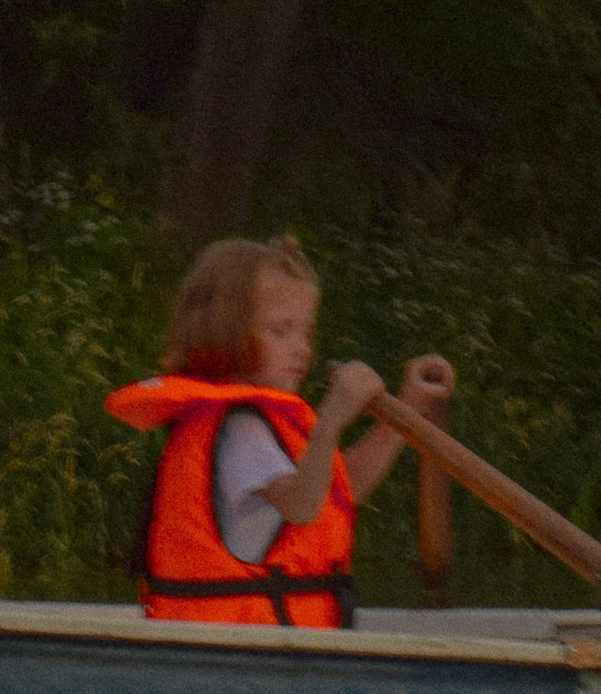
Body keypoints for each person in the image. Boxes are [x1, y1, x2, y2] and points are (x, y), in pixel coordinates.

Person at [106, 236, 454, 626]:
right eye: (281, 331)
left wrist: (405, 408)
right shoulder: (240, 431)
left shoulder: (260, 423)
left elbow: (338, 489)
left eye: (306, 332)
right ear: (228, 333)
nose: (302, 348)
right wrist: (332, 418)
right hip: (239, 655)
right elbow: (304, 506)